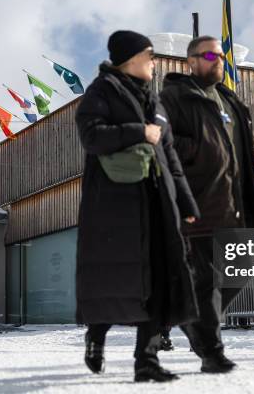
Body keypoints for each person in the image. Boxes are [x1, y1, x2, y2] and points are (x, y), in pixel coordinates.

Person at [75, 30, 201, 383]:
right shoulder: (101, 92)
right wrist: (137, 131)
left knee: (159, 278)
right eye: (150, 56)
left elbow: (170, 155)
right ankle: (95, 336)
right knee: (112, 279)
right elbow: (91, 136)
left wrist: (186, 201)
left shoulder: (155, 102)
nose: (154, 62)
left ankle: (145, 361)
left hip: (157, 204)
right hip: (114, 208)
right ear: (131, 58)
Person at [160, 35, 254, 373]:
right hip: (198, 200)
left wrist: (252, 158)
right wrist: (200, 150)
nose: (218, 60)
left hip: (235, 201)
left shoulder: (229, 99)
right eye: (210, 54)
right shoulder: (174, 97)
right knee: (208, 279)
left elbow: (233, 146)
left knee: (242, 267)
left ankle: (189, 315)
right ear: (191, 61)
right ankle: (212, 353)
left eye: (221, 55)